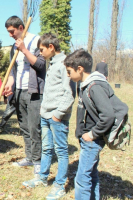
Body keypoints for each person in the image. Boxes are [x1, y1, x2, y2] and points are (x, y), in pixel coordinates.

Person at [22, 33, 76, 200]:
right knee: (46, 148)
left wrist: (58, 115)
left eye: (42, 50)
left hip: (57, 118)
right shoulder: (51, 64)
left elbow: (70, 94)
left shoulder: (65, 64)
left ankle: (59, 185)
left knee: (60, 151)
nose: (40, 54)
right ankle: (43, 178)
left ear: (51, 47)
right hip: (46, 115)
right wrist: (44, 110)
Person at [64, 49, 119, 199]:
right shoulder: (84, 84)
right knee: (92, 175)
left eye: (69, 71)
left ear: (79, 69)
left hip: (93, 140)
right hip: (88, 138)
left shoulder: (94, 86)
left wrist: (92, 134)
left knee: (82, 179)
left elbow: (108, 115)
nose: (68, 75)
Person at [3, 16, 46, 171]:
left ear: (21, 28)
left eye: (12, 31)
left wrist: (24, 50)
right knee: (24, 126)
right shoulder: (14, 47)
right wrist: (10, 83)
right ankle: (29, 156)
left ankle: (37, 160)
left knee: (35, 126)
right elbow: (13, 70)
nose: (10, 35)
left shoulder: (37, 41)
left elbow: (40, 64)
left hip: (34, 90)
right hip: (19, 91)